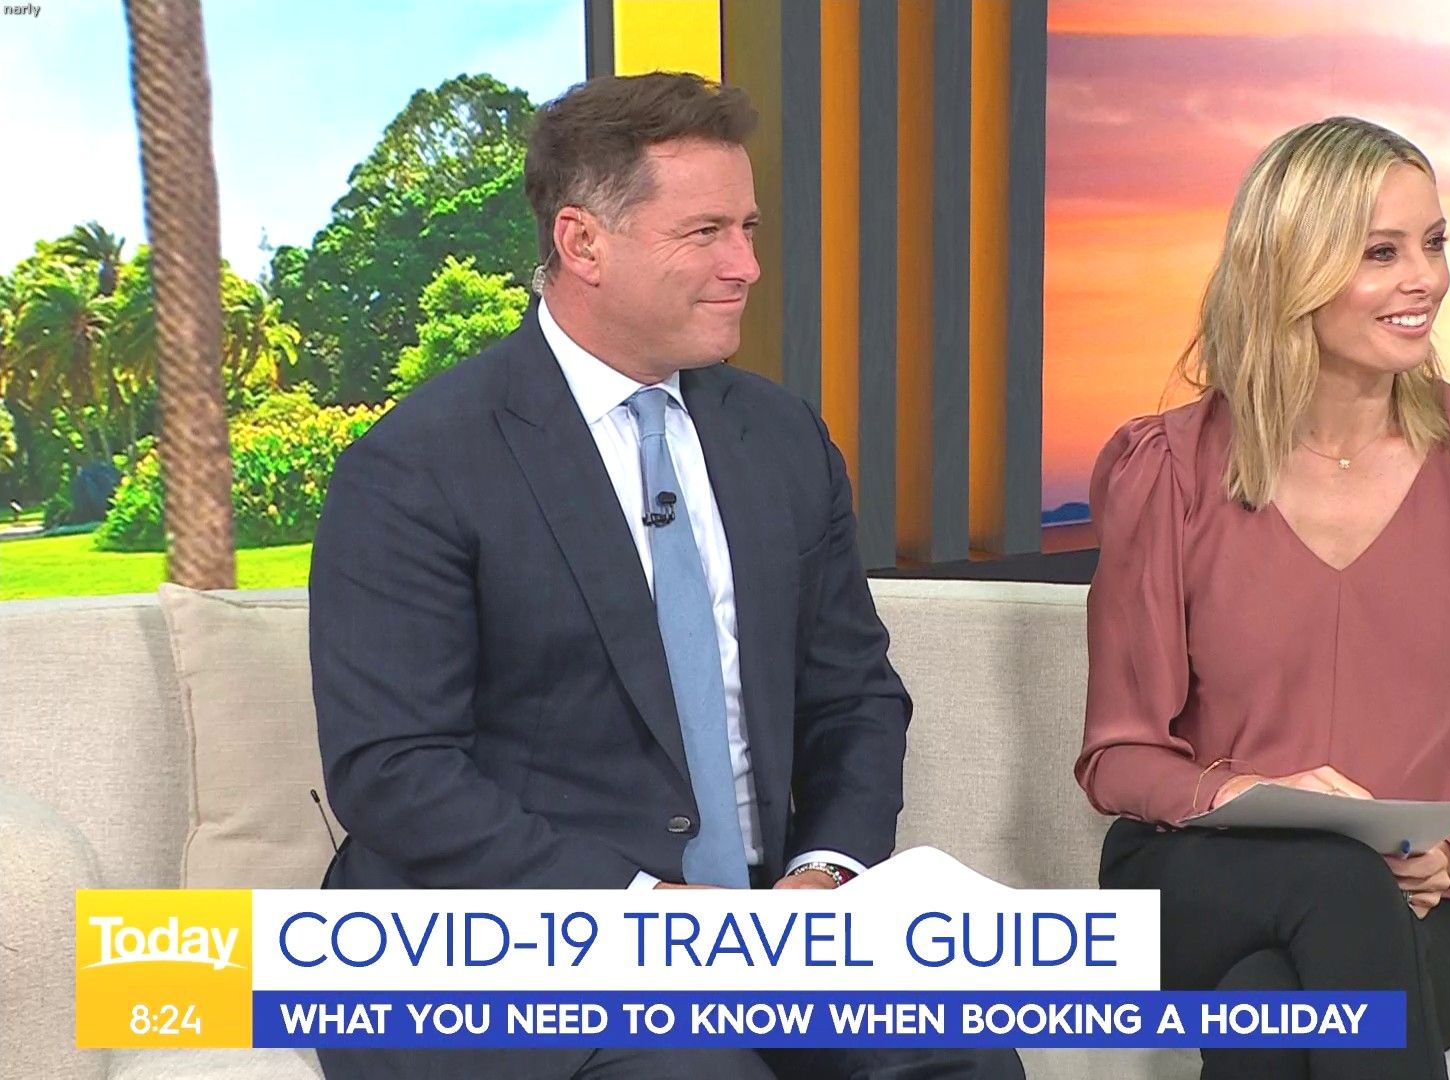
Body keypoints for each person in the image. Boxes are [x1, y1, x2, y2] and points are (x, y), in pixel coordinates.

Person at [310, 72, 1023, 1080]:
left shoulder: (783, 438)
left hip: (766, 929)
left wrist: (823, 874)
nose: (746, 265)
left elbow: (854, 697)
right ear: (582, 243)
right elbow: (395, 771)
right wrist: (647, 912)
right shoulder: (418, 465)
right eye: (705, 233)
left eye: (748, 228)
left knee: (961, 1051)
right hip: (518, 936)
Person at [1075, 116, 1450, 1079]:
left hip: (1425, 906)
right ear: (1290, 271)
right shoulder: (1168, 470)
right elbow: (1119, 755)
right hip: (1198, 882)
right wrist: (1241, 794)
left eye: (1434, 244)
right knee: (1334, 877)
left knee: (1269, 1007)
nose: (1425, 279)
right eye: (1381, 253)